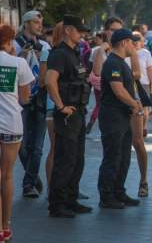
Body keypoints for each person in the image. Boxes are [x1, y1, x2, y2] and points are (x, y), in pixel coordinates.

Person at [46, 15, 92, 218]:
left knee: (77, 159)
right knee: (65, 159)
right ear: (68, 30)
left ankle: (71, 200)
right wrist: (61, 105)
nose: (82, 34)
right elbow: (50, 80)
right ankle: (57, 204)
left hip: (78, 113)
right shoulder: (59, 54)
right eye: (79, 31)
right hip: (67, 114)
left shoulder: (75, 53)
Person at [97, 29, 142, 209]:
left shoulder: (121, 62)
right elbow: (118, 89)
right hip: (112, 117)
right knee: (112, 156)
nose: (134, 45)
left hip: (122, 117)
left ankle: (118, 191)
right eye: (132, 42)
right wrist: (134, 104)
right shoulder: (113, 63)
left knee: (123, 156)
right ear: (124, 43)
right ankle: (106, 196)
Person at [0, 24, 35, 242]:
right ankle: (6, 226)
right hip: (11, 124)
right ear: (10, 41)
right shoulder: (19, 63)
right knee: (7, 175)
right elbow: (25, 98)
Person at [14, 10, 51, 198]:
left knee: (36, 146)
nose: (40, 25)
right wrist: (21, 55)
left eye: (41, 22)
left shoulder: (44, 45)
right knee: (21, 144)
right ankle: (33, 175)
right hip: (20, 99)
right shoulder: (14, 44)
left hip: (39, 98)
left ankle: (28, 183)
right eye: (36, 22)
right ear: (26, 23)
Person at [86, 17, 124, 134]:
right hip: (105, 96)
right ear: (106, 31)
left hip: (123, 98)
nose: (116, 33)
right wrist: (101, 50)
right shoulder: (97, 50)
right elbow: (96, 73)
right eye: (113, 30)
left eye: (119, 30)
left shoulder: (126, 49)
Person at [130, 31, 152, 197]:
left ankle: (143, 181)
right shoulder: (112, 55)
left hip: (140, 90)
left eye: (137, 39)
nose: (135, 42)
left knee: (138, 142)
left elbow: (142, 73)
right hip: (122, 103)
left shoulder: (144, 53)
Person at [44, 22, 64, 190]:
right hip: (54, 107)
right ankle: (52, 188)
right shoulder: (51, 52)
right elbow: (46, 81)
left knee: (66, 150)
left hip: (63, 107)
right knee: (55, 147)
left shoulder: (68, 53)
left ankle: (66, 187)